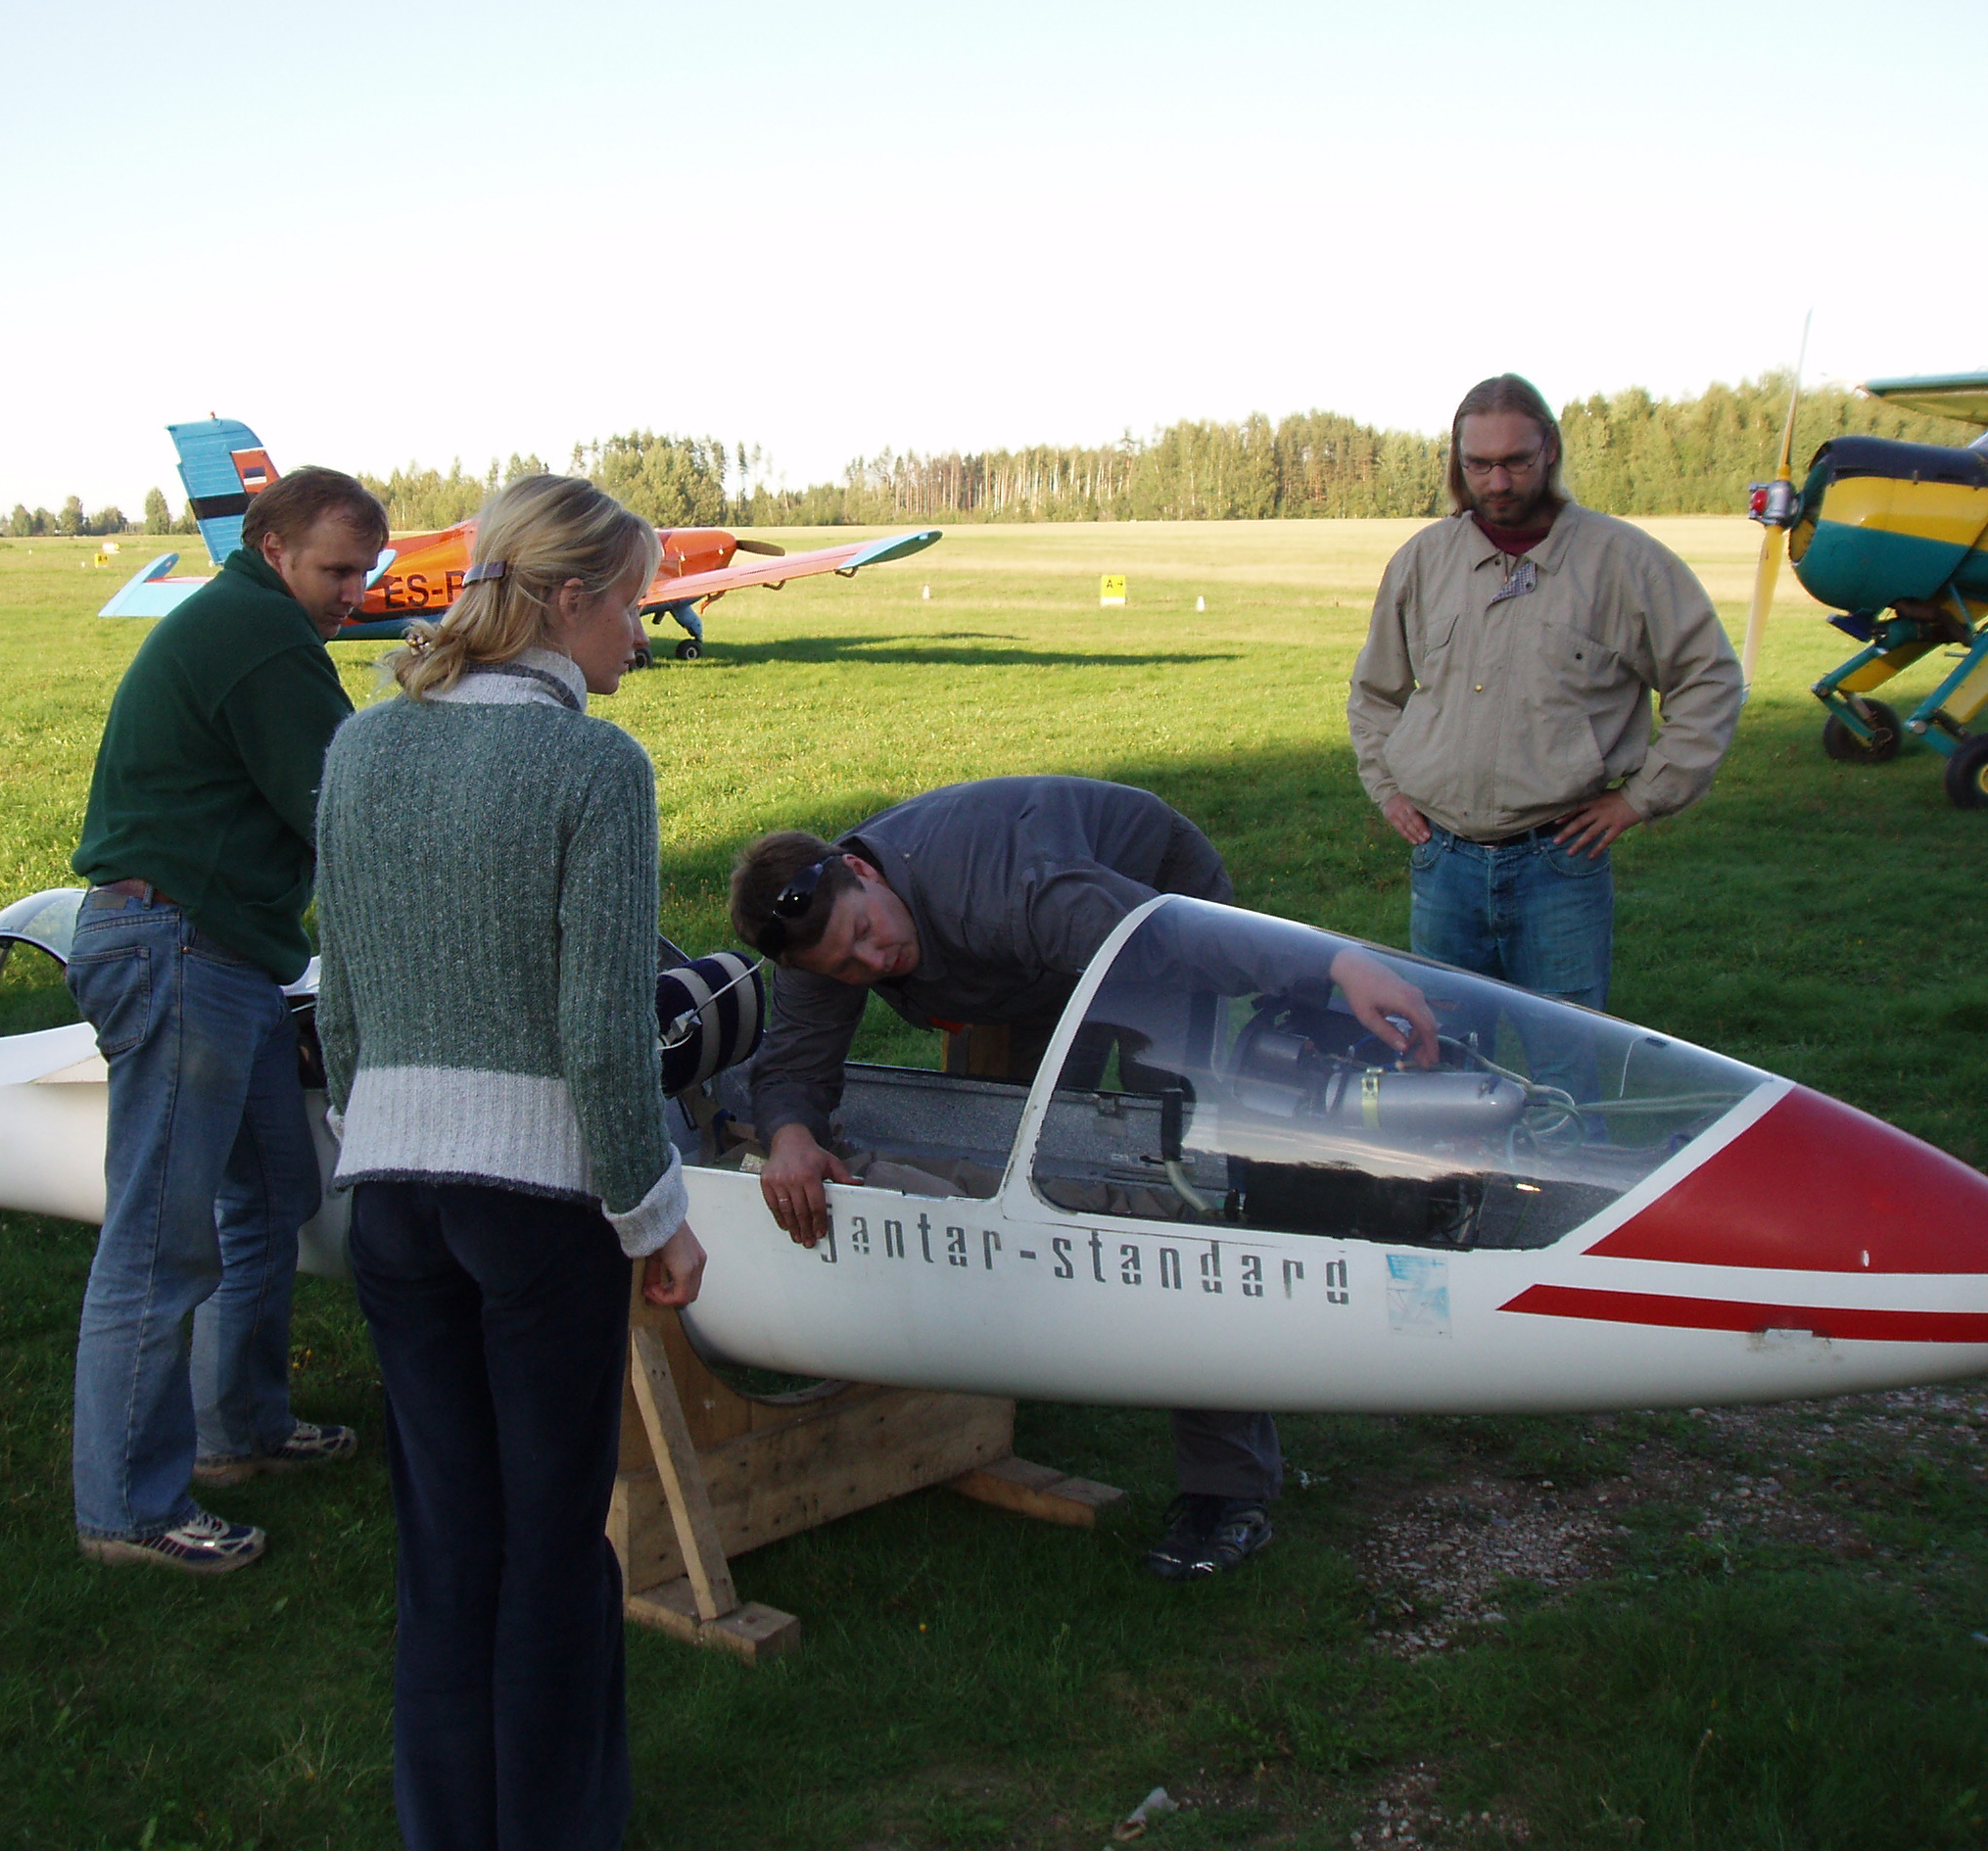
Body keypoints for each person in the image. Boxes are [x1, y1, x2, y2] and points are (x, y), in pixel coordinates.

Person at [727, 776, 1437, 1581]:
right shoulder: (822, 929)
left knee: (1176, 1176)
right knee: (1017, 1162)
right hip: (1018, 972)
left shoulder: (1017, 893)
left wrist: (1336, 965)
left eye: (866, 933)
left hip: (1151, 903)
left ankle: (1228, 1490)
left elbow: (1182, 945)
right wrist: (788, 1134)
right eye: (846, 966)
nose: (870, 961)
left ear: (869, 874)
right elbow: (792, 1065)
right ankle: (1013, 1370)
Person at [313, 474, 707, 1851]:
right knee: (551, 1557)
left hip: (393, 1204)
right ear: (569, 598)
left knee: (445, 1549)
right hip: (538, 1216)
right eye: (639, 607)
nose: (645, 639)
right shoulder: (595, 768)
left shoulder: (363, 749)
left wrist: (386, 1146)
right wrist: (655, 1216)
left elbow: (343, 1007)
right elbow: (604, 1034)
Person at [64, 467, 389, 1575]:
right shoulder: (263, 638)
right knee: (160, 1239)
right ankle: (127, 1510)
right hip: (179, 949)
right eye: (337, 569)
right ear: (272, 548)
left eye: (365, 571)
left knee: (273, 1194)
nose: (353, 590)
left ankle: (237, 1429)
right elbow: (348, 802)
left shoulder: (255, 622)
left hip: (225, 952)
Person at [1349, 374, 1741, 1051]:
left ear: (1551, 451)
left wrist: (1641, 799)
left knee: (1564, 1068)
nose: (1497, 482)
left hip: (1558, 864)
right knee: (1442, 1062)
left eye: (1515, 462)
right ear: (1457, 461)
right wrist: (1387, 789)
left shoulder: (1624, 563)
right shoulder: (1423, 562)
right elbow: (1375, 692)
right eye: (1479, 464)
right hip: (1441, 862)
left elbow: (1709, 679)